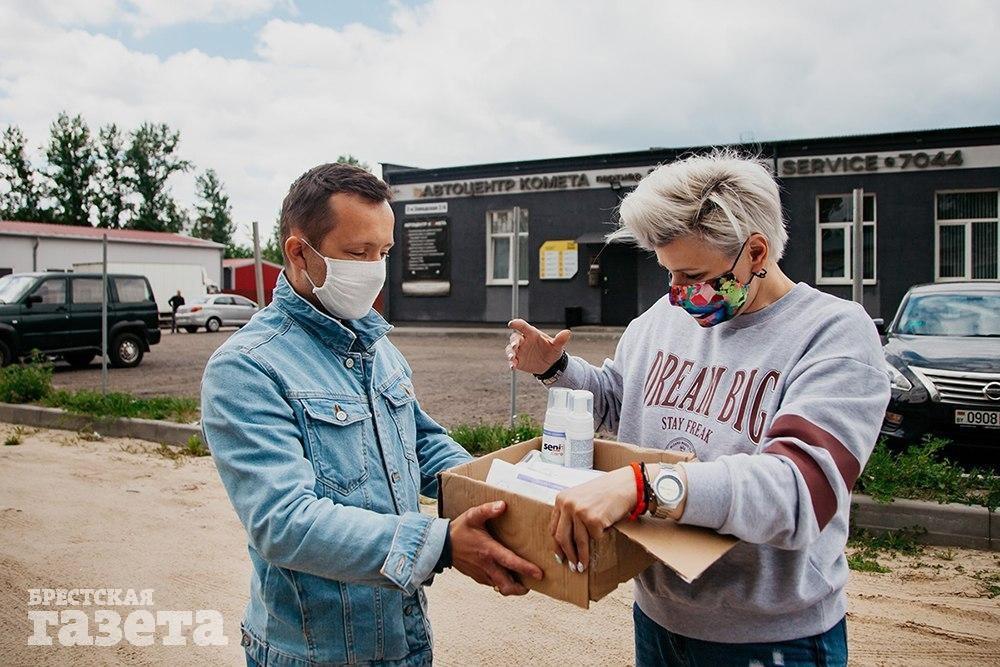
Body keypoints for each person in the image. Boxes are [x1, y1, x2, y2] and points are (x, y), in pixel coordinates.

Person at [507, 150, 889, 667]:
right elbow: (621, 402)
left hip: (771, 640)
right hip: (660, 618)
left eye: (692, 274)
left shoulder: (833, 334)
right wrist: (557, 369)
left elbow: (800, 493)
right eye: (668, 274)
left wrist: (644, 486)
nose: (678, 294)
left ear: (756, 253)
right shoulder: (663, 319)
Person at [202, 163, 542, 667]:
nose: (374, 269)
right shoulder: (247, 367)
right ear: (299, 253)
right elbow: (284, 523)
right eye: (357, 253)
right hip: (315, 652)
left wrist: (516, 491)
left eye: (383, 252)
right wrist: (443, 544)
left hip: (404, 639)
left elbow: (423, 444)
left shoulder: (375, 344)